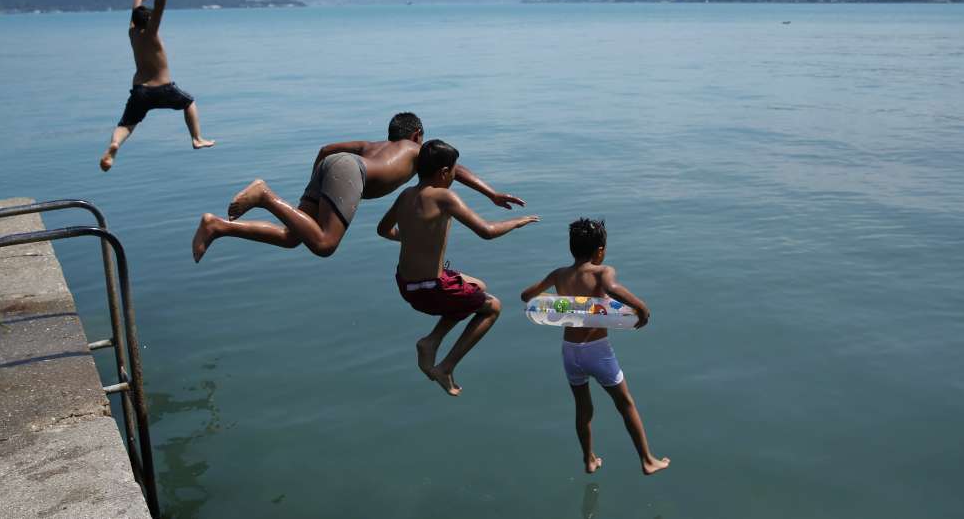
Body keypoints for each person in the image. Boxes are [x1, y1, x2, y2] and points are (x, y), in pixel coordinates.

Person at [190, 112, 525, 261]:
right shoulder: (415, 150)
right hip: (350, 172)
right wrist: (491, 193)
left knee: (295, 237)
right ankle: (264, 195)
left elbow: (325, 150)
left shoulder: (372, 144)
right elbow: (455, 168)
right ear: (417, 136)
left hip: (334, 165)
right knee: (324, 244)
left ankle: (217, 226)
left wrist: (316, 191)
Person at [377, 139, 539, 396]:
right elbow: (486, 231)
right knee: (492, 307)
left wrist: (413, 235)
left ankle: (432, 342)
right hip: (430, 289)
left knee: (477, 287)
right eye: (453, 170)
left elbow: (383, 229)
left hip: (407, 284)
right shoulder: (445, 197)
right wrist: (517, 222)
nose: (455, 175)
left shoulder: (405, 195)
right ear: (444, 172)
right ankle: (445, 365)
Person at [519, 218, 670, 476]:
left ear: (571, 248)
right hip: (597, 350)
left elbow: (527, 296)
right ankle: (647, 460)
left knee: (583, 407)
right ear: (600, 250)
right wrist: (641, 308)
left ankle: (589, 459)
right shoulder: (602, 272)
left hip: (570, 351)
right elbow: (613, 289)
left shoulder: (559, 274)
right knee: (625, 404)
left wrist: (557, 301)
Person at [99, 0, 215, 171]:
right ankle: (197, 138)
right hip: (162, 88)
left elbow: (134, 16)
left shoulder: (132, 33)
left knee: (126, 125)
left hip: (140, 91)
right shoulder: (151, 33)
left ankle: (115, 144)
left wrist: (138, 1)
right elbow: (160, 5)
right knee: (189, 102)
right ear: (150, 21)